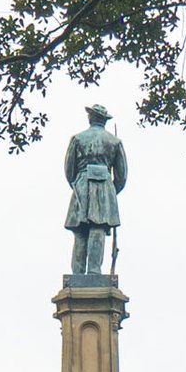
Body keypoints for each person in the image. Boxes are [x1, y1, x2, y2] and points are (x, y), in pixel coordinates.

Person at [64, 105, 127, 281]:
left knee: (81, 231)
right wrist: (110, 191)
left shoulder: (77, 139)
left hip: (82, 185)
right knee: (97, 228)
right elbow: (122, 176)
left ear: (90, 118)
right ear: (104, 121)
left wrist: (80, 184)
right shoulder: (114, 141)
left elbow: (69, 171)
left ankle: (78, 273)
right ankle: (94, 271)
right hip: (104, 186)